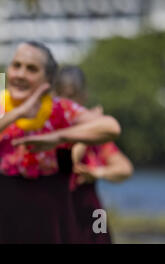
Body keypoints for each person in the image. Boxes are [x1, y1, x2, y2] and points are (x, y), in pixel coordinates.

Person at [0, 41, 121, 243]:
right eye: (16, 65)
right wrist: (18, 112)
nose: (20, 74)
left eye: (31, 69)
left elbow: (110, 127)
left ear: (49, 79)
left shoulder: (62, 111)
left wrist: (58, 137)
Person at [54, 65, 133, 243]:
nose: (69, 103)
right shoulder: (50, 129)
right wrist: (89, 131)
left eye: (73, 97)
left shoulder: (99, 137)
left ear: (84, 96)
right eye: (63, 96)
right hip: (59, 212)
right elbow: (68, 162)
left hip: (91, 214)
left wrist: (98, 172)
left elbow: (125, 169)